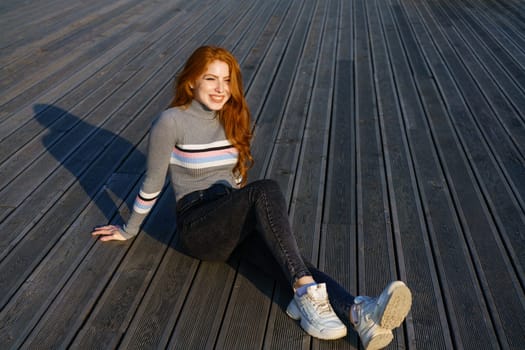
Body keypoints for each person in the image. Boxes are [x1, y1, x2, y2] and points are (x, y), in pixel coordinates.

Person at [91, 46, 412, 349]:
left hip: (230, 215)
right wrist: (128, 229)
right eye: (210, 78)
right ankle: (305, 294)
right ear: (191, 82)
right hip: (197, 225)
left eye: (227, 80)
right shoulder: (170, 121)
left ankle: (360, 316)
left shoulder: (233, 117)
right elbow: (152, 181)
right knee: (268, 191)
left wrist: (253, 218)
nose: (220, 88)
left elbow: (236, 179)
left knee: (290, 259)